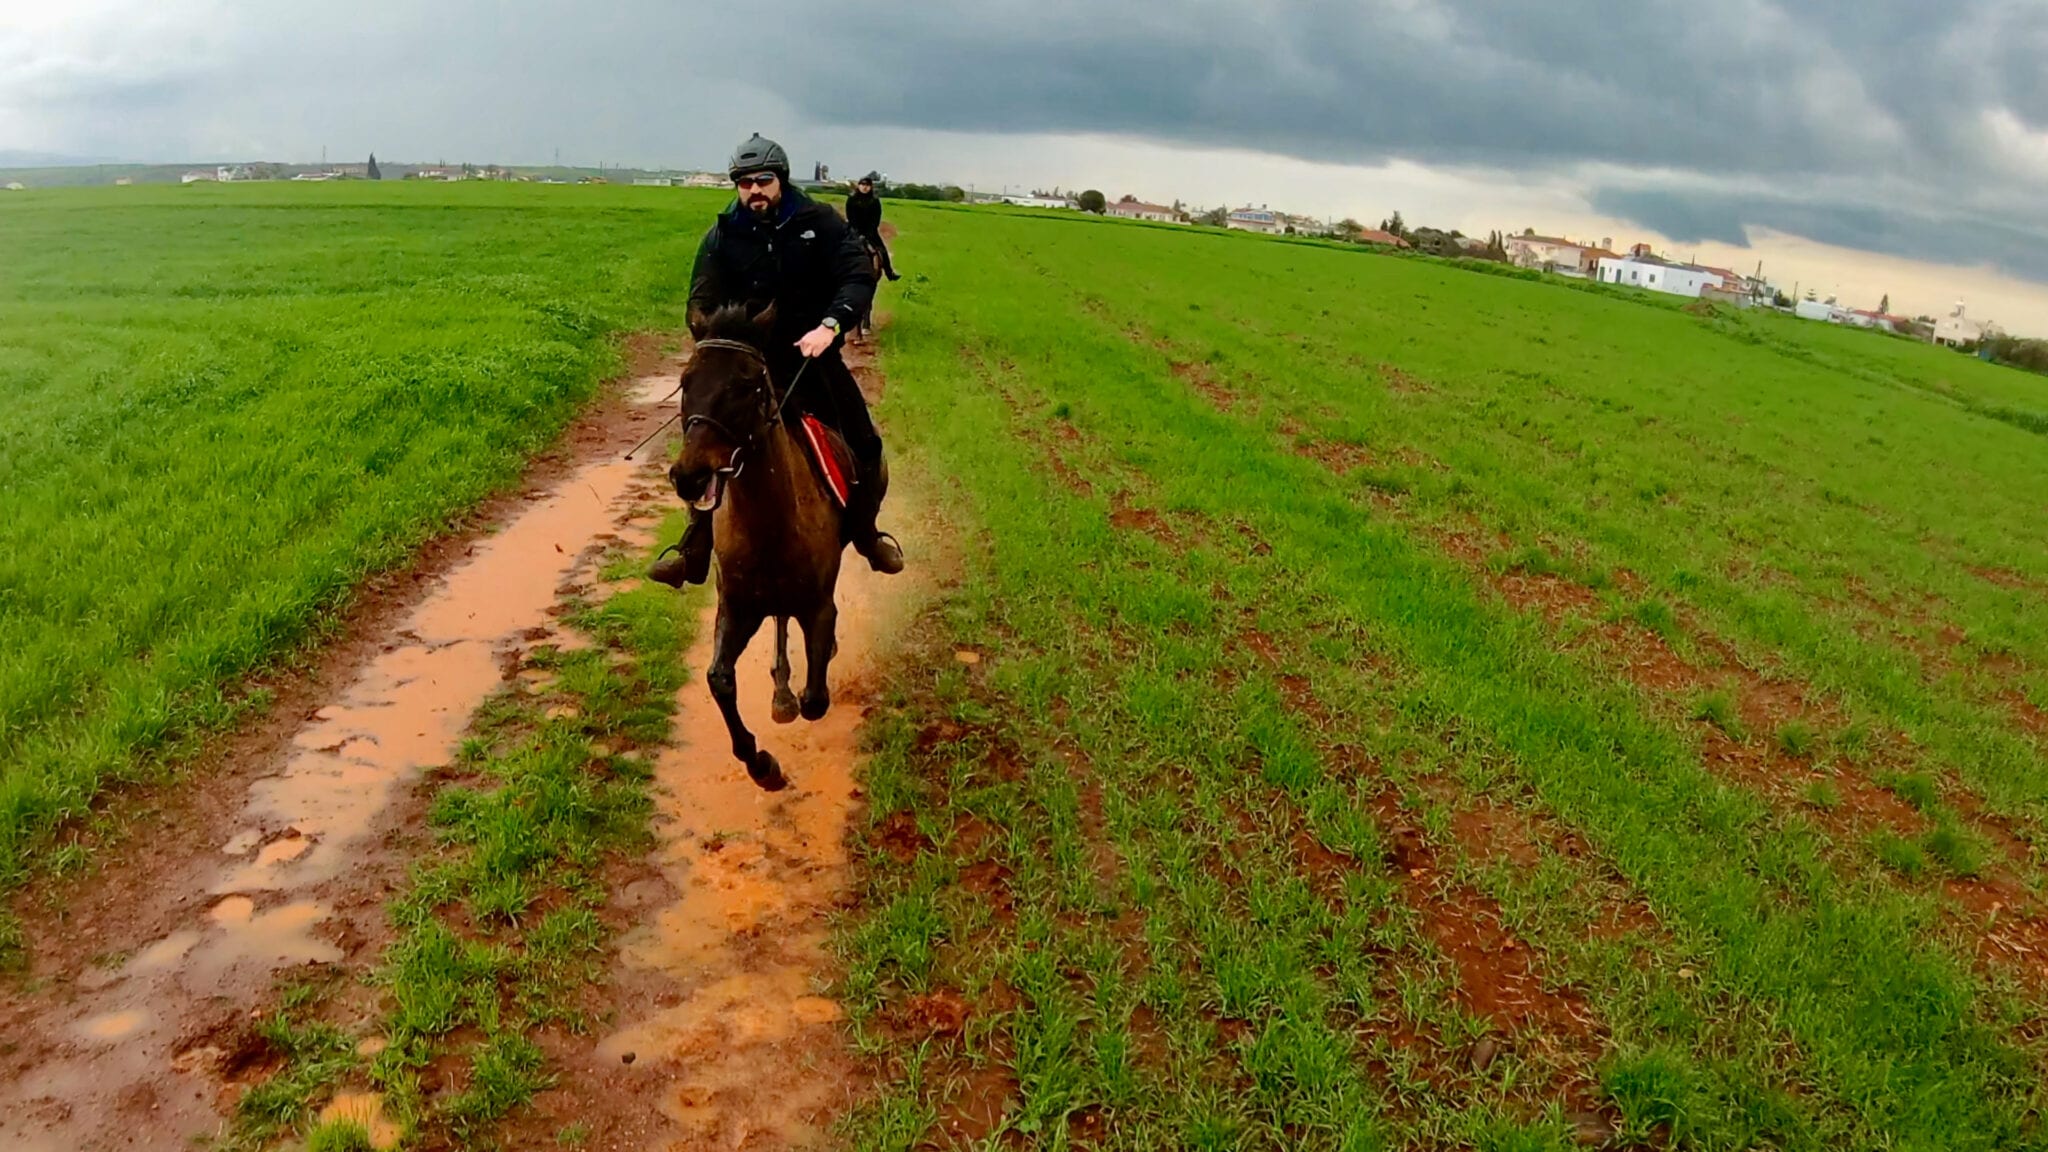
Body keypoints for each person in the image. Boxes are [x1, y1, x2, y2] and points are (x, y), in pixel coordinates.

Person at [650, 133, 904, 588]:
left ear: (780, 180)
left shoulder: (818, 222)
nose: (754, 191)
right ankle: (695, 543)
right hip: (746, 367)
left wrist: (830, 325)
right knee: (702, 444)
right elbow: (702, 295)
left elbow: (856, 272)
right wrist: (710, 338)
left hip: (810, 357)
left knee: (865, 444)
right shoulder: (723, 234)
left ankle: (865, 533)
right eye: (744, 183)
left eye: (763, 180)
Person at [843, 172, 900, 281]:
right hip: (854, 230)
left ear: (870, 187)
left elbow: (876, 218)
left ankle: (889, 272)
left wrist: (869, 233)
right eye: (863, 185)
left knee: (882, 250)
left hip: (870, 232)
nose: (865, 187)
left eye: (867, 185)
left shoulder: (874, 201)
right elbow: (850, 217)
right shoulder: (851, 199)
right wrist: (856, 232)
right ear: (859, 185)